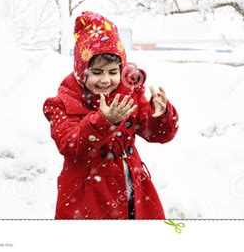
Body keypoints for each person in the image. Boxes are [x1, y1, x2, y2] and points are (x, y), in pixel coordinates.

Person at [43, 11, 180, 219]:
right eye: (97, 73)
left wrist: (159, 115)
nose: (105, 80)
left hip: (134, 192)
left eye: (113, 72)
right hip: (87, 199)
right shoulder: (64, 103)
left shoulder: (128, 94)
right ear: (82, 71)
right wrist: (103, 122)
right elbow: (69, 144)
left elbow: (157, 134)